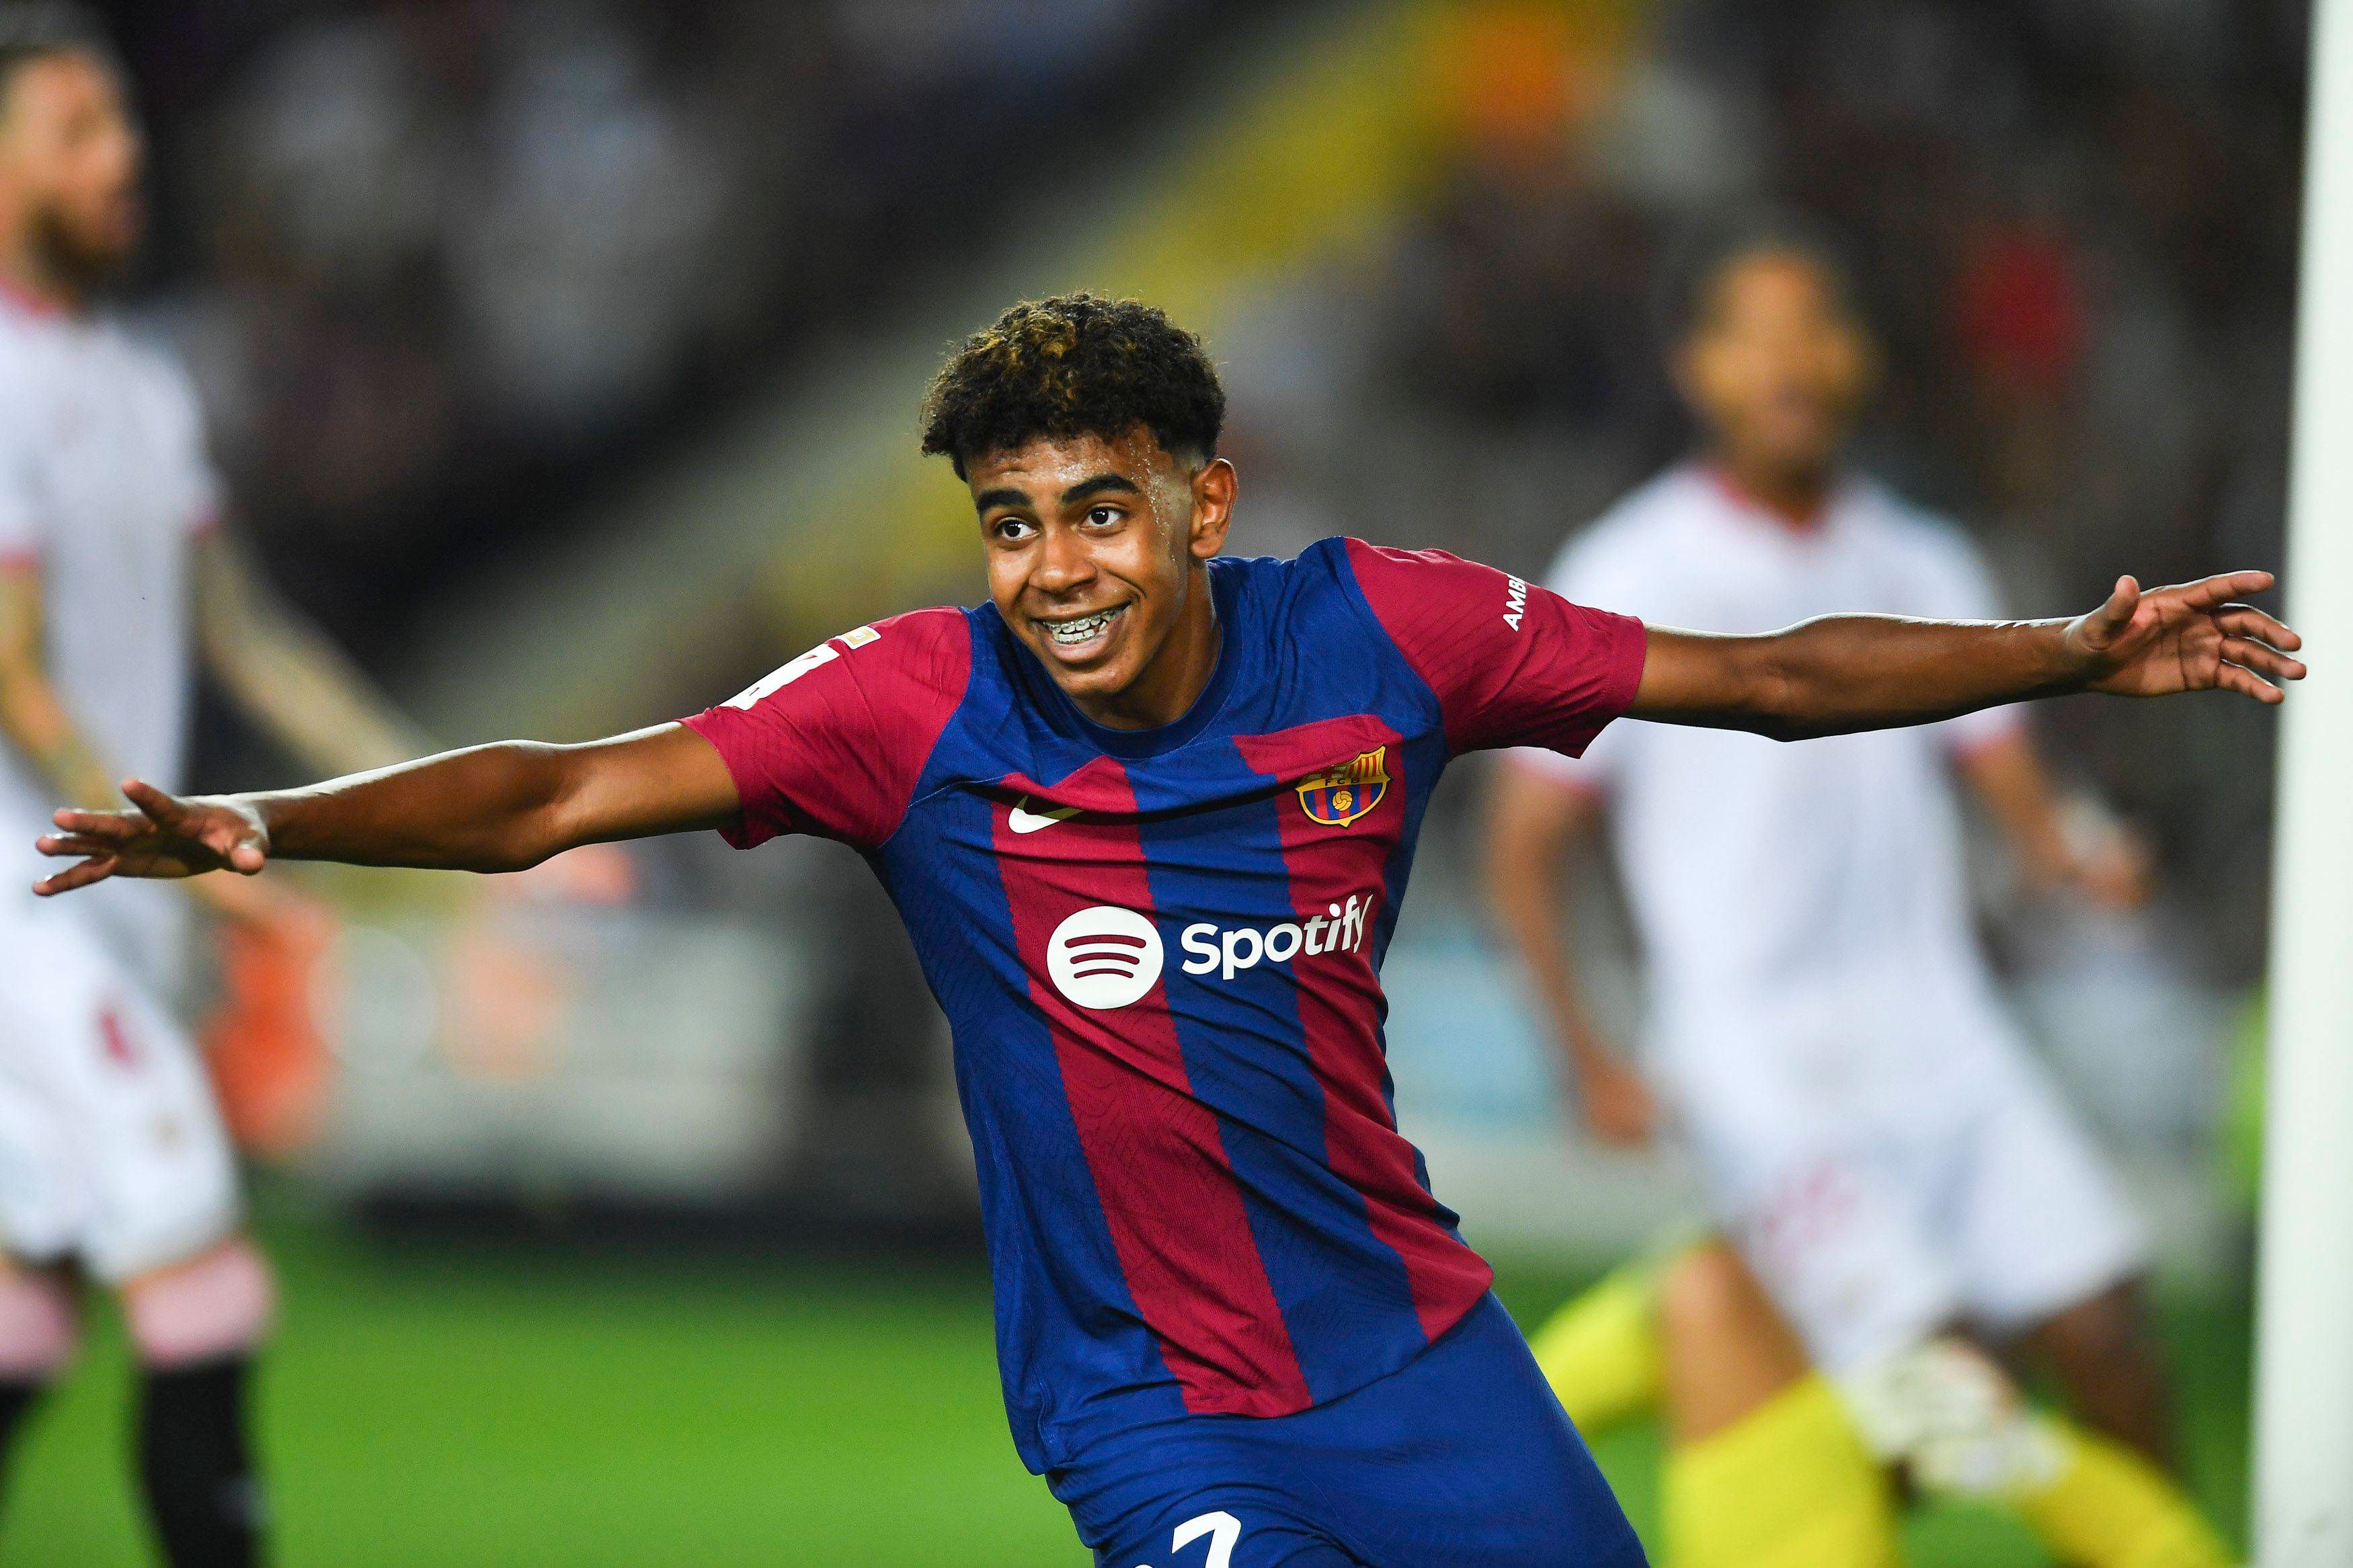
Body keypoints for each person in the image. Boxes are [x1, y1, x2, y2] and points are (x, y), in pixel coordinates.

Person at [31, 292, 2300, 1568]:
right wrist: (258, 815)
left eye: (1099, 509)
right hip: (1152, 1415)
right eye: (1014, 525)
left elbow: (1770, 678)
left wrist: (2068, 655)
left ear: (1205, 501)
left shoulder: (1389, 638)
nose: (1058, 567)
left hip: (1423, 1364)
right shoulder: (904, 704)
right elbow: (552, 794)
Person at [1485, 224, 2241, 1567]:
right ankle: (1704, 1311)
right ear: (1699, 367)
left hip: (1937, 1028)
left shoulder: (1923, 560)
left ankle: (1705, 1308)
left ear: (1858, 358)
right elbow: (1526, 831)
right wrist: (1584, 1049)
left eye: (1816, 325)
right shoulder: (1631, 566)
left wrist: (2072, 845)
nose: (1790, 359)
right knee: (1932, 1396)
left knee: (2109, 1339)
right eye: (1754, 331)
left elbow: (2007, 773)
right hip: (1754, 1056)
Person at [0, 8, 420, 1562]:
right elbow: (14, 673)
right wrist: (163, 834)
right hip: (25, 913)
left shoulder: (140, 385)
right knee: (204, 1277)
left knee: (30, 1300)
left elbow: (240, 631)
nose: (125, 160)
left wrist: (427, 777)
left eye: (123, 128)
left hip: (110, 904)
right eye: (77, 134)